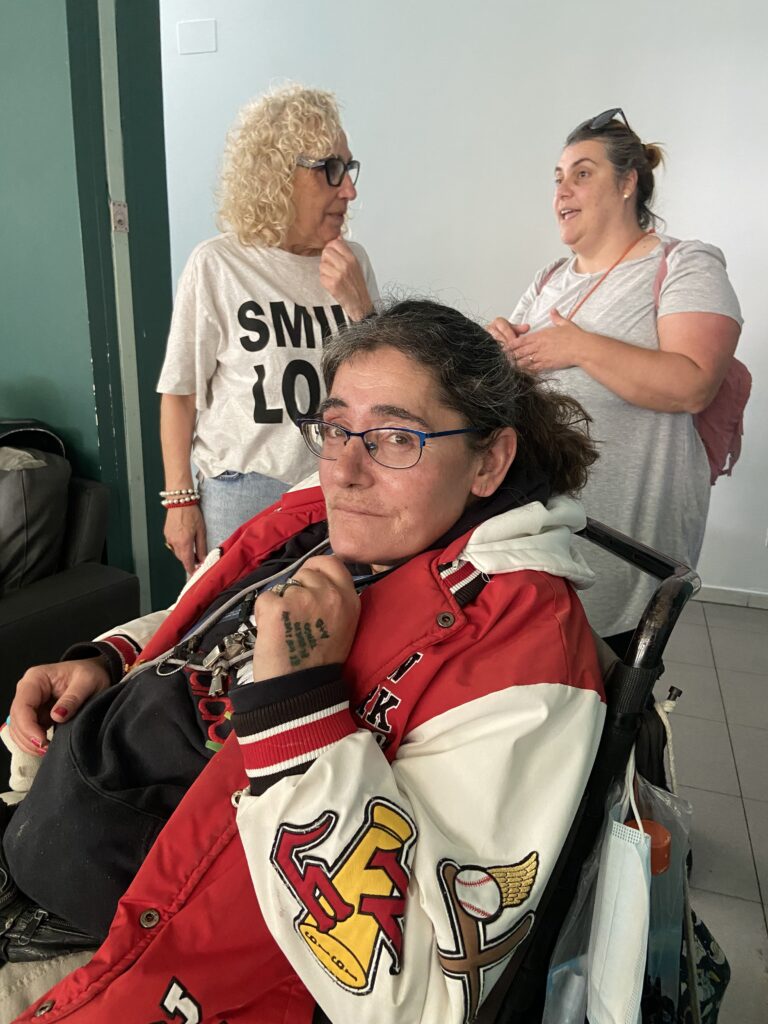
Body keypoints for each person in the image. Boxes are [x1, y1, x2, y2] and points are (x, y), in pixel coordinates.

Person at [3, 301, 605, 1024]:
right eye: (336, 428)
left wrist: (300, 701)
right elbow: (217, 612)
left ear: (490, 461)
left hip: (136, 966)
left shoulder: (524, 654)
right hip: (48, 815)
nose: (344, 470)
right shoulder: (319, 516)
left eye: (396, 437)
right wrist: (111, 656)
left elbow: (421, 993)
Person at [488, 108, 742, 655]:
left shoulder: (685, 265)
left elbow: (693, 383)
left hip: (626, 545)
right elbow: (517, 384)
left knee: (612, 681)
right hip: (543, 534)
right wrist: (499, 349)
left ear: (628, 183)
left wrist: (579, 346)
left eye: (582, 173)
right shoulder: (548, 280)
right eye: (558, 177)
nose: (562, 191)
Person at [158, 83, 379, 574]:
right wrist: (180, 501)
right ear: (278, 174)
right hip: (244, 491)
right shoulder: (218, 264)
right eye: (331, 169)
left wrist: (360, 306)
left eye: (349, 169)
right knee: (235, 621)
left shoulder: (351, 263)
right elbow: (180, 393)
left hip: (337, 484)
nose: (349, 190)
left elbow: (384, 383)